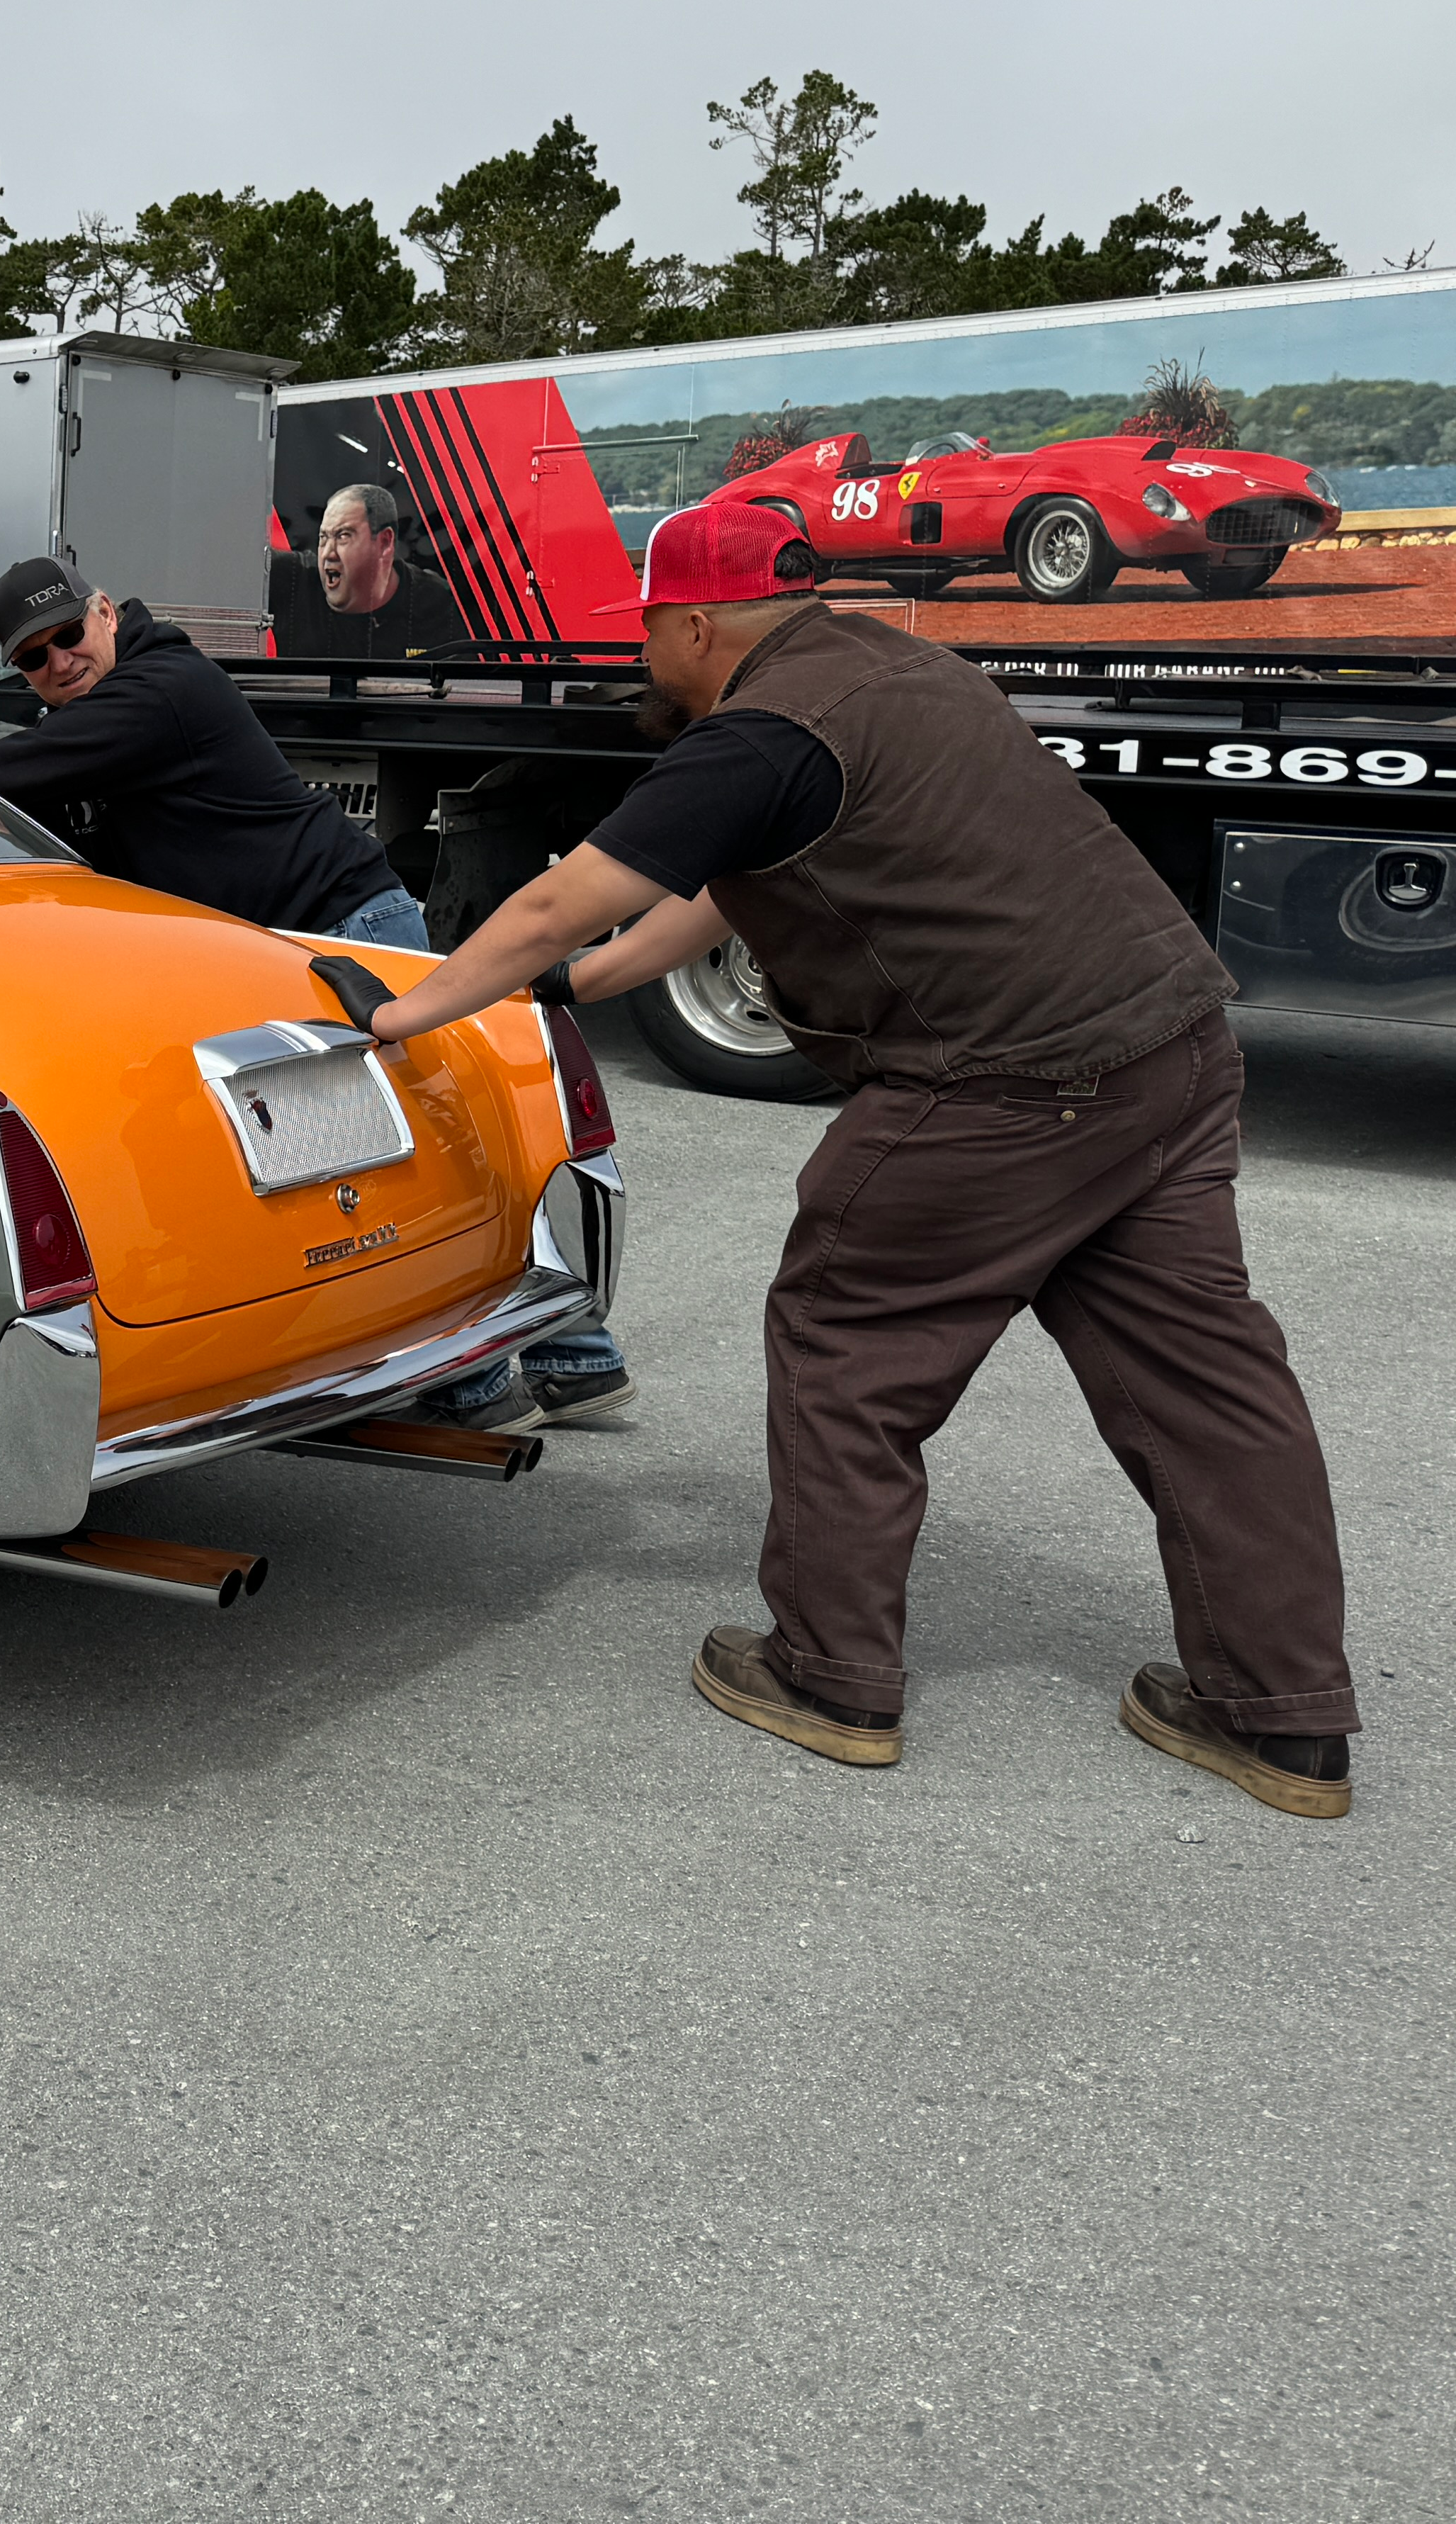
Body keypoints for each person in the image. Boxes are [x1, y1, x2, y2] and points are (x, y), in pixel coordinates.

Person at [354, 499, 1358, 1815]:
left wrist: (397, 1015)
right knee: (1206, 1380)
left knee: (844, 1340)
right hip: (1165, 1051)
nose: (643, 661)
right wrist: (581, 990)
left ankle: (828, 1674)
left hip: (1005, 1082)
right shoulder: (896, 668)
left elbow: (551, 900)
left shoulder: (755, 731)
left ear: (695, 622)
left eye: (649, 635)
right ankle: (1277, 1714)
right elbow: (719, 892)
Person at [0, 551, 633, 1426]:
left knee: (417, 1155)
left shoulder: (163, 688)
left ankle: (535, 1360)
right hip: (287, 955)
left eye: (68, 635)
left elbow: (4, 773)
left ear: (107, 614)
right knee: (401, 1160)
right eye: (34, 658)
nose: (59, 662)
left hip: (347, 934)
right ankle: (517, 1366)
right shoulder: (103, 718)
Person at [267, 483, 470, 660]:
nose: (328, 553)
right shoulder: (294, 578)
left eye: (343, 536)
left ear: (385, 542)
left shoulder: (438, 605)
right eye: (323, 538)